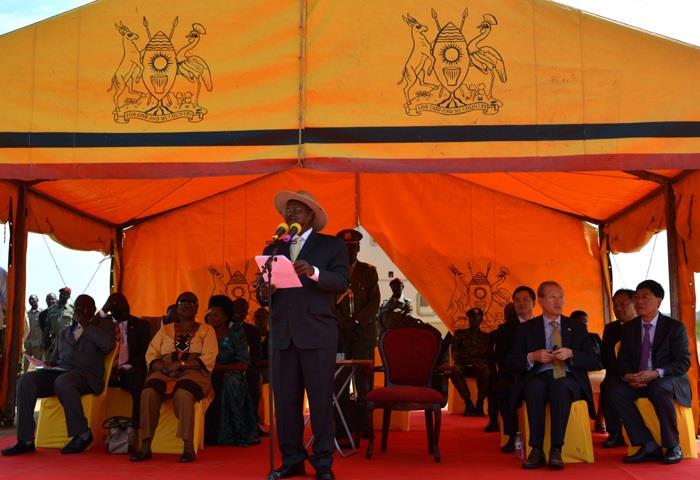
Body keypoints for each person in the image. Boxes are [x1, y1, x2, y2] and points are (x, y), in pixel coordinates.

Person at [257, 190, 348, 480]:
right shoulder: (275, 248)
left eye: (296, 209)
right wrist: (264, 291)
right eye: (287, 210)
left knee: (320, 402)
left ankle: (323, 464)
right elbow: (260, 292)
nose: (289, 214)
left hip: (317, 333)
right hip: (283, 334)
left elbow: (341, 281)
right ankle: (292, 459)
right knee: (285, 403)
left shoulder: (332, 245)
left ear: (310, 215)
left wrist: (314, 272)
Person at [2, 294, 115, 456]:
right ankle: (25, 440)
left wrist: (87, 326)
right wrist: (47, 365)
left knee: (63, 381)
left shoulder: (103, 326)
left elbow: (108, 344)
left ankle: (83, 434)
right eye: (77, 307)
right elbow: (55, 359)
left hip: (87, 375)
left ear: (92, 310)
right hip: (61, 372)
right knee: (26, 380)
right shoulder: (65, 332)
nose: (80, 310)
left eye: (84, 308)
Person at [509, 281, 599, 469]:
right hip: (540, 375)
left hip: (569, 378)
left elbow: (594, 360)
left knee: (561, 387)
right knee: (534, 388)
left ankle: (556, 449)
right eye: (552, 297)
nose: (558, 301)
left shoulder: (576, 327)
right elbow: (512, 361)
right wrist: (532, 356)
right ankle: (536, 450)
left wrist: (572, 354)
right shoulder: (527, 328)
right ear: (541, 300)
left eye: (561, 297)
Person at [130, 291, 218, 463]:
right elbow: (151, 354)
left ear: (197, 308)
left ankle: (188, 446)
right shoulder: (165, 330)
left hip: (193, 371)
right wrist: (163, 367)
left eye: (191, 302)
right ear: (177, 308)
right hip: (165, 370)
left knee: (183, 393)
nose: (187, 305)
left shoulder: (207, 330)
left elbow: (209, 357)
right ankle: (145, 445)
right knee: (148, 392)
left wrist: (180, 364)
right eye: (182, 302)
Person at [610, 280, 690, 465]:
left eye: (645, 297)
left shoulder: (674, 327)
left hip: (666, 378)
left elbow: (683, 362)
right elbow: (622, 361)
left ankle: (673, 446)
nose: (639, 301)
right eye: (637, 297)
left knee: (659, 388)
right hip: (639, 380)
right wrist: (628, 376)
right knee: (615, 390)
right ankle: (647, 444)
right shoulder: (629, 328)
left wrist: (655, 373)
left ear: (659, 301)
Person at [334, 228, 380, 443]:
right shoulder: (332, 272)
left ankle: (364, 425)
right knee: (340, 383)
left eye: (352, 248)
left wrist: (356, 322)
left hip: (362, 336)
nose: (349, 252)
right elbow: (328, 302)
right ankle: (342, 428)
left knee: (364, 384)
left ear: (359, 248)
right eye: (345, 248)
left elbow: (374, 302)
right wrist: (343, 324)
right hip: (340, 336)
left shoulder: (368, 272)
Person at [204, 295, 259, 446]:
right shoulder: (203, 332)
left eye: (216, 315)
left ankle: (237, 433)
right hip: (206, 372)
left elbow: (243, 364)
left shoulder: (235, 334)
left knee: (231, 381)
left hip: (231, 372)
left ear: (226, 317)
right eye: (210, 314)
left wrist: (219, 368)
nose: (212, 317)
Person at [491, 286, 536, 452]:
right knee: (502, 388)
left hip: (539, 373)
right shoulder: (505, 329)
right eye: (517, 300)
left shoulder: (543, 325)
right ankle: (513, 435)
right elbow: (501, 359)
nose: (521, 303)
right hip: (514, 374)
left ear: (534, 302)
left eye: (525, 299)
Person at [104, 293, 151, 428]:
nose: (125, 311)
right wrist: (104, 309)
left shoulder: (141, 325)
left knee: (137, 376)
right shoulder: (103, 324)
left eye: (126, 307)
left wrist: (125, 367)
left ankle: (136, 425)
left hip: (129, 370)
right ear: (111, 310)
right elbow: (88, 325)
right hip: (105, 371)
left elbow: (145, 354)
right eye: (120, 309)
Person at [599, 288, 637, 447]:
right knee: (607, 385)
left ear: (635, 304)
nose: (618, 309)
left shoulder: (644, 325)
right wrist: (624, 375)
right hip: (618, 375)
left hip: (645, 374)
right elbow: (606, 357)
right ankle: (615, 432)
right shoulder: (611, 328)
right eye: (615, 305)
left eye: (623, 304)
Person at [231, 298, 267, 437]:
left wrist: (246, 366)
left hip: (246, 368)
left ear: (247, 313)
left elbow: (257, 356)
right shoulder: (221, 326)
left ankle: (252, 423)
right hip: (223, 367)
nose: (239, 311)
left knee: (253, 378)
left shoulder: (252, 331)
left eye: (243, 309)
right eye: (236, 308)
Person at [450, 307, 491, 417]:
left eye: (477, 319)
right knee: (454, 371)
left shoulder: (486, 337)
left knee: (486, 371)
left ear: (481, 320)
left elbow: (487, 354)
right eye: (472, 318)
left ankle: (480, 403)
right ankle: (468, 402)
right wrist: (471, 359)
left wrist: (475, 360)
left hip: (478, 367)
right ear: (468, 319)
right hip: (463, 365)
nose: (474, 321)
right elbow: (455, 353)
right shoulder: (459, 334)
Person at [42, 287, 74, 362]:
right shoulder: (51, 309)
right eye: (61, 294)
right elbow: (47, 327)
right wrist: (44, 341)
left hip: (68, 342)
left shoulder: (72, 309)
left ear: (69, 296)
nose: (62, 295)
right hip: (54, 342)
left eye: (65, 294)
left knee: (66, 363)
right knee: (52, 363)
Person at [23, 294, 44, 372]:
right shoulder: (27, 314)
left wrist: (42, 342)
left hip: (38, 344)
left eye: (33, 299)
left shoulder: (42, 313)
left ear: (37, 300)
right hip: (27, 344)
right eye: (30, 299)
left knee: (39, 367)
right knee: (24, 366)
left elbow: (45, 328)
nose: (31, 301)